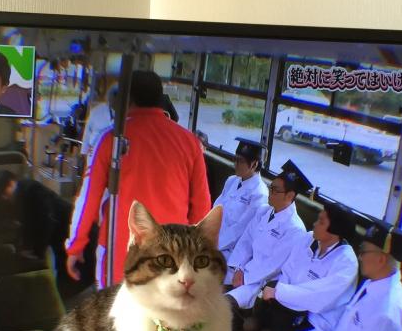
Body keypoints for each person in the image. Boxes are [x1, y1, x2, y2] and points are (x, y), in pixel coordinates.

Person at [65, 70, 211, 287]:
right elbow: (202, 208)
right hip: (173, 256)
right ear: (160, 98)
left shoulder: (110, 139)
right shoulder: (189, 143)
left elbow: (89, 198)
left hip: (120, 253)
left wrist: (75, 246)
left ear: (127, 98)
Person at [233, 203, 360, 331]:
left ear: (335, 231)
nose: (315, 224)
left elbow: (319, 298)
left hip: (313, 321)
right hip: (286, 307)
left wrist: (281, 293)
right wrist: (281, 295)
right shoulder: (308, 239)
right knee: (250, 327)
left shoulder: (346, 262)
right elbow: (288, 271)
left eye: (321, 221)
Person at [225, 160, 310, 310]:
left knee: (223, 303)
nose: (270, 192)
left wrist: (245, 277)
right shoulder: (263, 211)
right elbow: (246, 241)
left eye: (275, 190)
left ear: (289, 196)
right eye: (271, 187)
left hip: (259, 282)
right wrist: (239, 267)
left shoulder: (295, 229)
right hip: (241, 270)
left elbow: (272, 266)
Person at [213, 137, 269, 263]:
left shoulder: (259, 194)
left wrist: (214, 245)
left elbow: (240, 230)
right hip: (213, 239)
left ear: (254, 164)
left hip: (230, 251)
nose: (236, 164)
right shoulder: (232, 180)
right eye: (235, 159)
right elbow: (216, 209)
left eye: (240, 161)